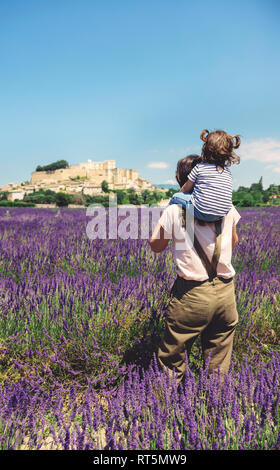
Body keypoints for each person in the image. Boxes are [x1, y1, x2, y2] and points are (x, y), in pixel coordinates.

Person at [149, 154, 240, 386]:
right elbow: (234, 241)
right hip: (225, 293)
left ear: (184, 179)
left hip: (192, 295)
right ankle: (215, 413)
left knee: (171, 360)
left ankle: (162, 415)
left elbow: (156, 246)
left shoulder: (174, 210)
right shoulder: (227, 208)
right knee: (218, 362)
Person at [169, 129, 241, 222]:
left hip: (201, 212)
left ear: (206, 149)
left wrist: (180, 194)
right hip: (221, 215)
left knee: (175, 197)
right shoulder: (228, 172)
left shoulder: (200, 167)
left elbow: (186, 188)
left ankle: (167, 217)